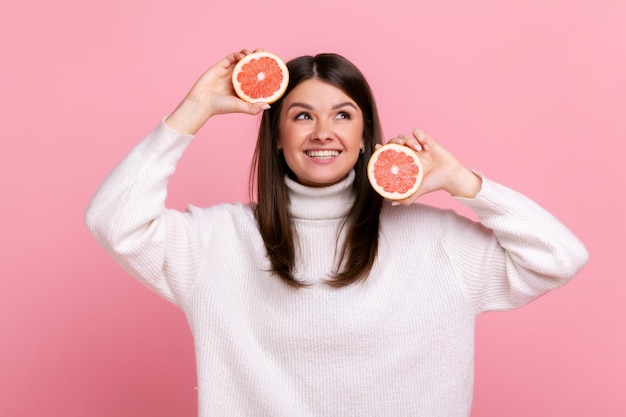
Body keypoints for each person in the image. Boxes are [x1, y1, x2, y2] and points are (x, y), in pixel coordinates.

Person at [85, 49, 589, 417]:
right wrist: (194, 109)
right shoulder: (218, 241)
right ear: (277, 138)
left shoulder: (436, 241)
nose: (322, 132)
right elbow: (112, 220)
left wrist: (464, 183)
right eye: (302, 116)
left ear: (365, 134)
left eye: (342, 115)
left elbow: (559, 257)